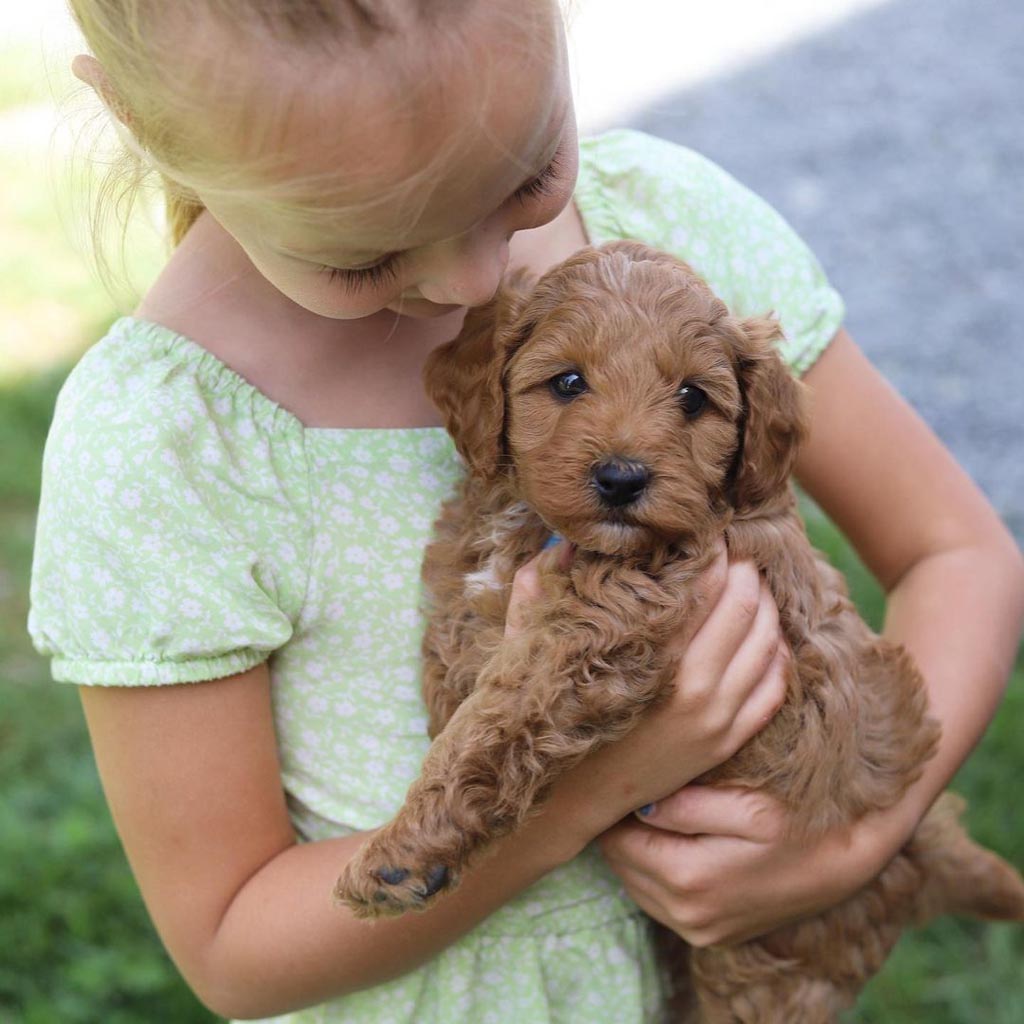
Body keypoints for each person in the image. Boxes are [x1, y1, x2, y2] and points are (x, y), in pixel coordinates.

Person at [28, 1, 1024, 1021]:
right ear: (148, 126)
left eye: (524, 177)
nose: (476, 282)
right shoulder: (170, 444)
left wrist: (854, 837)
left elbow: (956, 552)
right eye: (364, 255)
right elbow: (230, 948)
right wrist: (584, 794)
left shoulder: (670, 220)